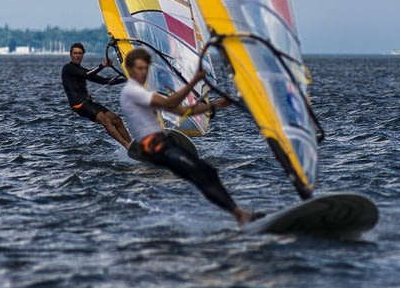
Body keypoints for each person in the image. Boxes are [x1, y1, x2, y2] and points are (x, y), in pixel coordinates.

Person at [120, 48, 259, 227]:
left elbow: (181, 110)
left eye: (146, 68)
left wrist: (215, 105)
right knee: (199, 172)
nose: (144, 73)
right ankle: (239, 215)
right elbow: (171, 102)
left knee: (207, 172)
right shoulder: (132, 91)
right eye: (139, 68)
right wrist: (195, 79)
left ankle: (239, 214)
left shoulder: (142, 92)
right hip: (155, 147)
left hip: (164, 143)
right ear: (130, 69)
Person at [62, 42, 131, 147]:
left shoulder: (81, 70)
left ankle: (133, 145)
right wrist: (103, 65)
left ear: (83, 55)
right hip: (79, 105)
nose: (77, 56)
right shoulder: (68, 68)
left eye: (80, 53)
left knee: (117, 119)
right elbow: (86, 74)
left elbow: (104, 81)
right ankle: (126, 145)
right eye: (75, 53)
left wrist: (125, 79)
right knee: (106, 120)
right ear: (70, 54)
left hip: (88, 103)